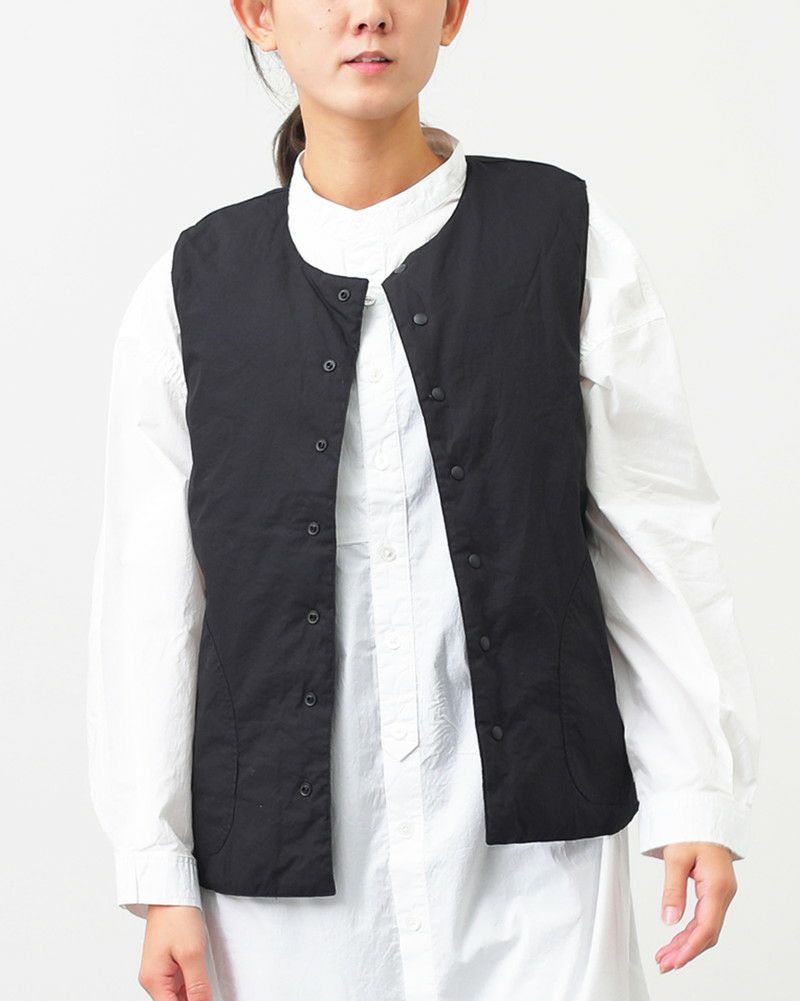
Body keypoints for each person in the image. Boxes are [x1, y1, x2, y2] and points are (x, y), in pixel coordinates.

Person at [86, 2, 760, 999]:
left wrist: (696, 788)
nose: (367, 13)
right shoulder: (190, 290)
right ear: (259, 16)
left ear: (450, 13)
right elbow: (151, 598)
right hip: (283, 892)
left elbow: (651, 533)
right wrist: (157, 868)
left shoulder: (565, 241)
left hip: (537, 866)